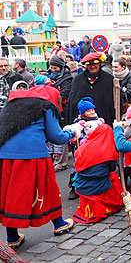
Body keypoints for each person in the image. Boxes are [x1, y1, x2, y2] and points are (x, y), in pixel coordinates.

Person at [0, 85, 76, 248]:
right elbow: (56, 136)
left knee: (11, 195)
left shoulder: (11, 105)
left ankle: (12, 237)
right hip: (33, 155)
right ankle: (59, 224)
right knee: (47, 190)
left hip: (6, 157)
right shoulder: (45, 106)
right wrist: (71, 133)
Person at [71, 119, 123, 224]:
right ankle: (112, 203)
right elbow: (111, 169)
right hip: (99, 186)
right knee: (112, 175)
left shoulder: (83, 147)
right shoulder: (108, 151)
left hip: (81, 185)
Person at [66, 52, 115, 125]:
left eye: (95, 64)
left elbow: (113, 103)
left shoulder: (109, 79)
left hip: (104, 123)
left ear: (100, 64)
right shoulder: (78, 80)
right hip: (83, 124)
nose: (92, 66)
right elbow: (73, 103)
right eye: (89, 64)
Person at [47, 55, 73, 172]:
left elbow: (64, 94)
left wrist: (50, 93)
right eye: (51, 67)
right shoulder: (49, 78)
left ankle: (62, 162)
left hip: (63, 110)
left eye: (55, 68)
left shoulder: (67, 79)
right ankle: (57, 159)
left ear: (61, 67)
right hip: (52, 109)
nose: (53, 70)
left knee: (60, 135)